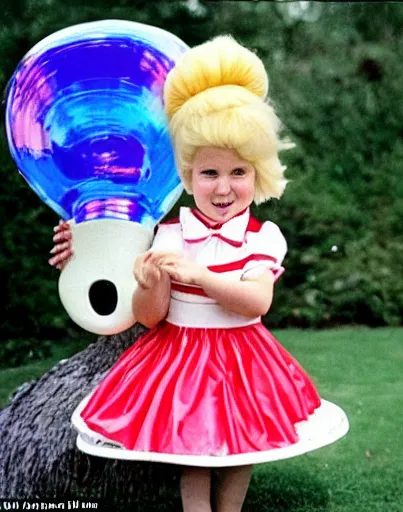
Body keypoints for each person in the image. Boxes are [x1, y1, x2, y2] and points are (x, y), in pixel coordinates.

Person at [52, 35, 346, 512]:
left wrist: (200, 274)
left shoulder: (261, 237)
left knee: (246, 437)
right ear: (188, 178)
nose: (224, 187)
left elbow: (256, 302)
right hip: (182, 353)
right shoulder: (170, 235)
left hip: (242, 356)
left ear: (259, 174)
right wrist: (150, 285)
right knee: (190, 442)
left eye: (238, 172)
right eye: (209, 173)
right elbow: (152, 317)